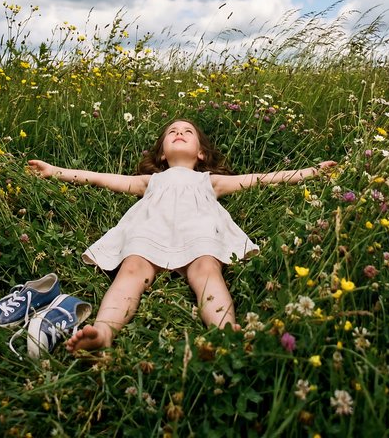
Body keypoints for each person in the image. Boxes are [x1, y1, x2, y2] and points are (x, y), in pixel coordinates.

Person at [28, 118, 336, 355]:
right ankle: (104, 332)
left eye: (187, 132)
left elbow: (262, 179)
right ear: (162, 154)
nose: (179, 133)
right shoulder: (151, 181)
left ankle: (227, 333)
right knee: (132, 269)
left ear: (201, 153)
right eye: (172, 132)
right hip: (149, 231)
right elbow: (101, 179)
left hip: (198, 232)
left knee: (207, 269)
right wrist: (54, 170)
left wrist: (313, 172)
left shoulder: (209, 181)